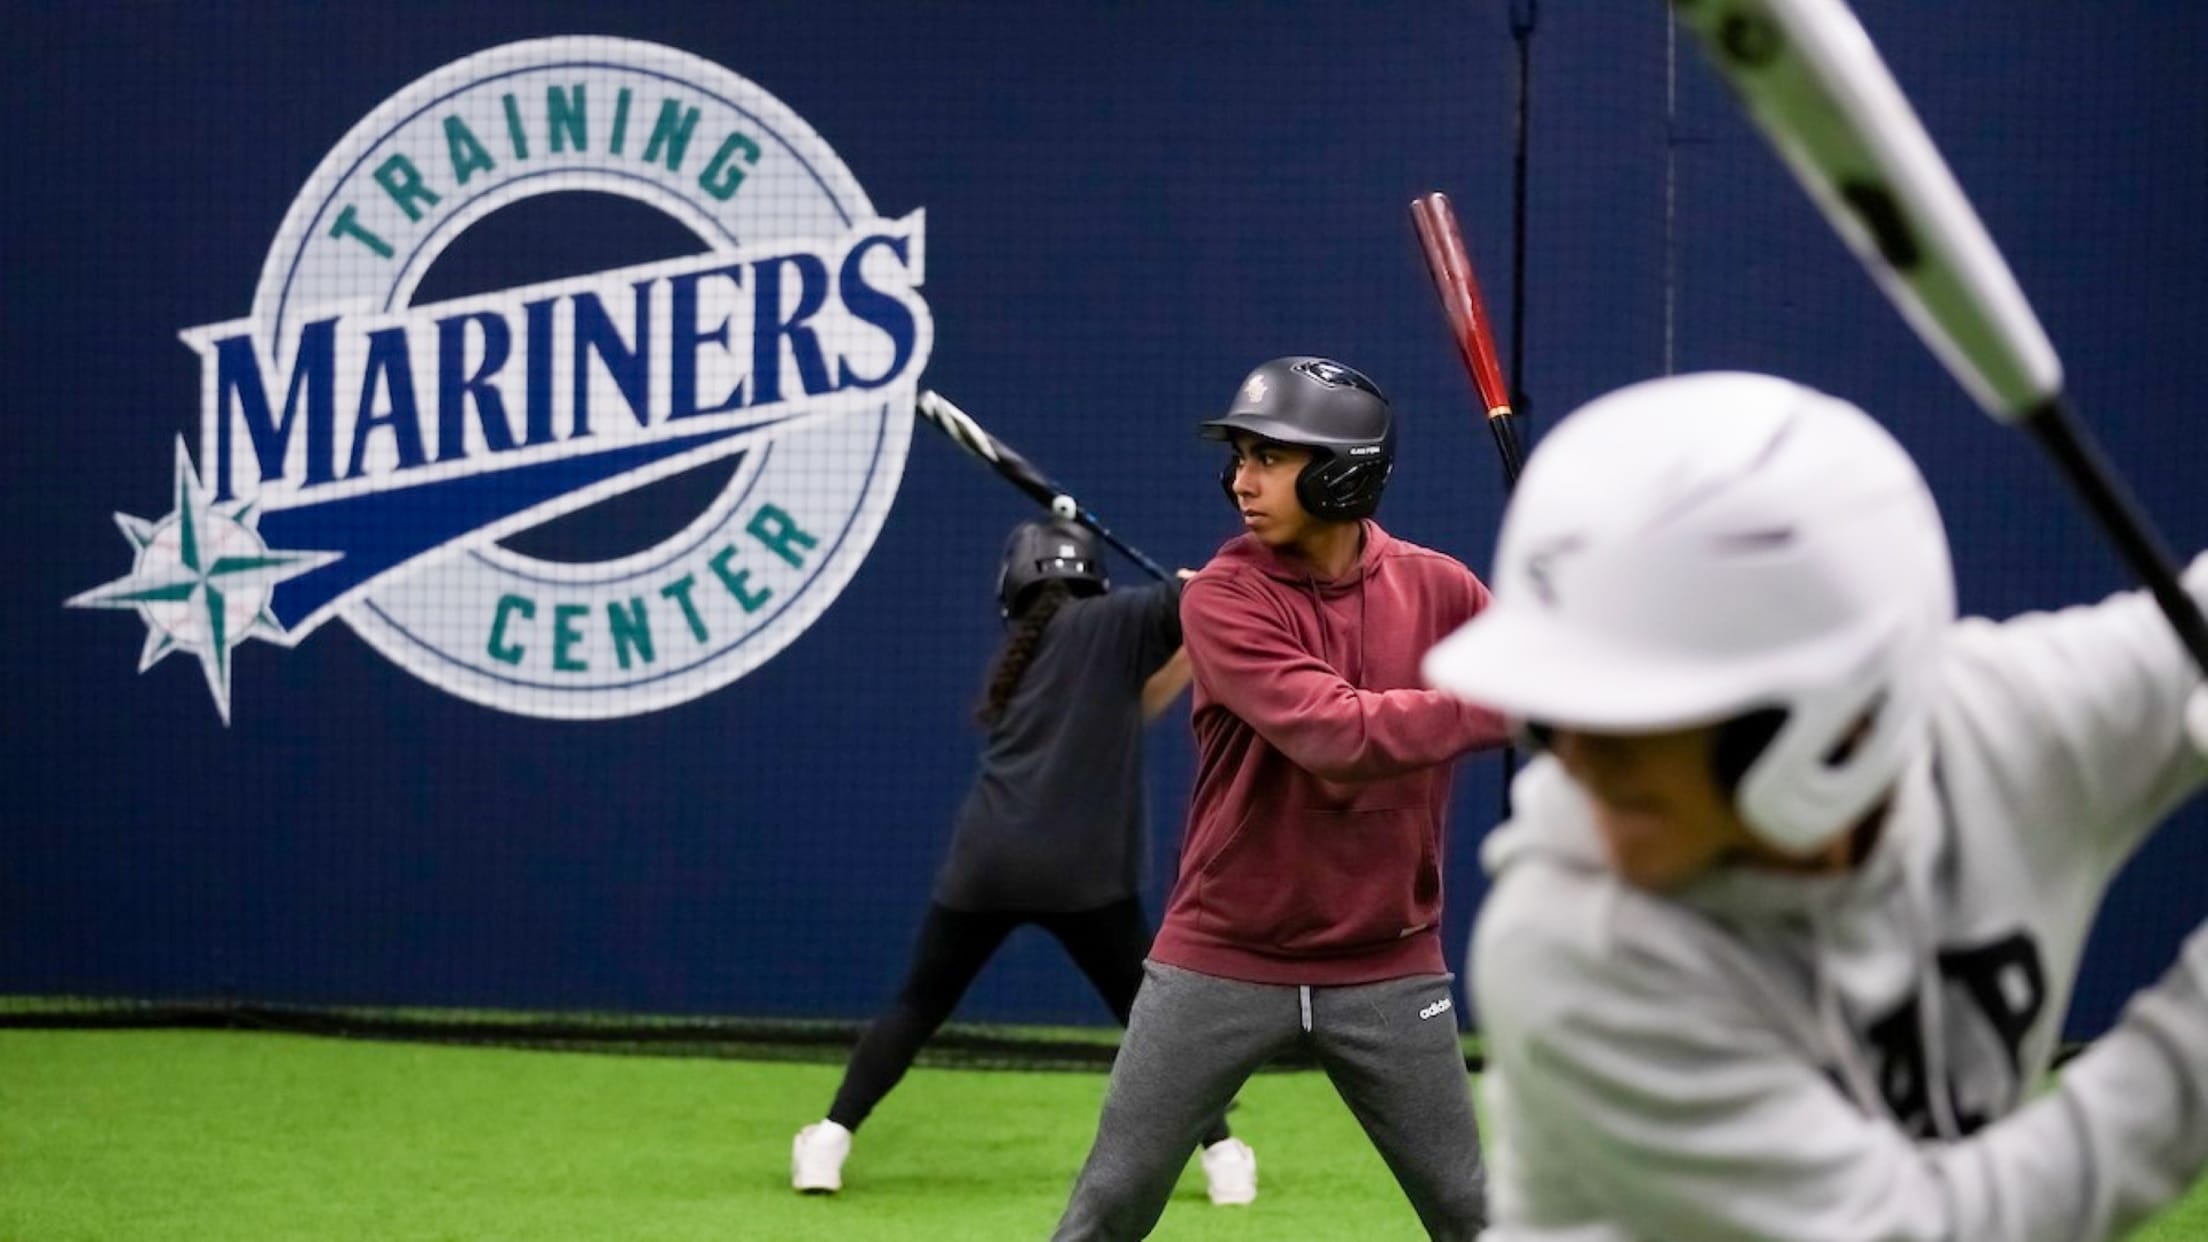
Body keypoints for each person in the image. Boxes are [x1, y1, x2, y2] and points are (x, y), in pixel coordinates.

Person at [1421, 370, 2208, 1241]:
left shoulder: (2003, 728)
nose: (1576, 759)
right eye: (1555, 712)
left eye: (1635, 713)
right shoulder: (1576, 949)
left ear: (1838, 714)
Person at [1053, 356, 1511, 1240]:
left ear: (1344, 473)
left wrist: (1584, 657)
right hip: (1222, 958)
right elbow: (1337, 736)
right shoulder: (1223, 597)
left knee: (1473, 1214)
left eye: (1269, 457)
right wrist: (1516, 701)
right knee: (1109, 1208)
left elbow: (1558, 691)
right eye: (1240, 456)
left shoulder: (1442, 588)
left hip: (1388, 962)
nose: (1241, 480)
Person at [791, 518, 1257, 1205]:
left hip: (989, 863)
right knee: (1152, 1021)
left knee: (918, 1004)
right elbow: (1201, 595)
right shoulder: (1116, 619)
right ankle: (1222, 1158)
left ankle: (827, 1143)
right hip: (1085, 875)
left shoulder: (1033, 650)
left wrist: (1193, 630)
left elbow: (1136, 702)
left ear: (1012, 587)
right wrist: (1197, 589)